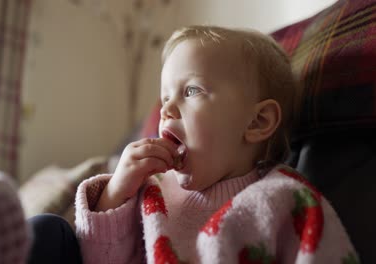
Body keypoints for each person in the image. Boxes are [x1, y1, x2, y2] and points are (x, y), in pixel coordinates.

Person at [31, 25, 358, 264]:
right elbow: (97, 258)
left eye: (191, 91)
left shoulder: (285, 201)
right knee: (46, 231)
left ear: (257, 122)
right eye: (165, 97)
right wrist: (116, 193)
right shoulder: (152, 189)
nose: (167, 110)